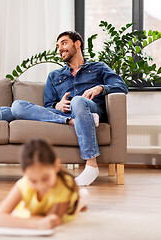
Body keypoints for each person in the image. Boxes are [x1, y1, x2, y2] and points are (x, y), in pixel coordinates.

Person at [11, 31, 128, 186]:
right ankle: (72, 121)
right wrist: (57, 105)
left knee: (78, 101)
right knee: (17, 106)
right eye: (58, 46)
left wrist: (100, 88)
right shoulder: (54, 76)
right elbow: (48, 106)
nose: (60, 48)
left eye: (64, 43)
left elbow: (121, 86)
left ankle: (91, 165)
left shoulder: (98, 67)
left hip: (91, 108)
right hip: (63, 114)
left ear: (77, 44)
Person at [0, 139, 89, 229]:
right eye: (33, 181)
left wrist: (26, 222)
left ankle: (83, 196)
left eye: (45, 178)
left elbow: (52, 220)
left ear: (56, 166)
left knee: (80, 199)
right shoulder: (23, 184)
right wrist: (37, 223)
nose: (41, 186)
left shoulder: (65, 185)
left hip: (67, 200)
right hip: (34, 208)